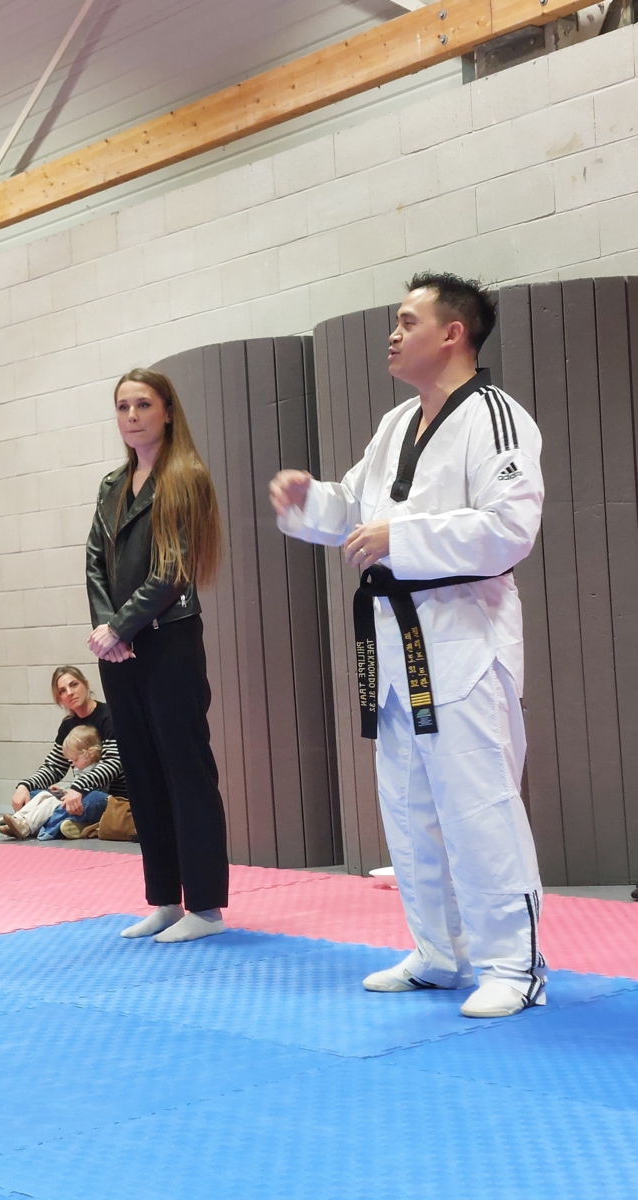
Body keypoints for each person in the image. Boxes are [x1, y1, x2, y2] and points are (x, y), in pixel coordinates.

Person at [270, 272, 545, 1019]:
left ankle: (514, 966)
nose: (392, 334)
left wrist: (405, 538)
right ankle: (440, 953)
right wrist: (309, 502)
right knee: (409, 805)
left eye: (407, 321)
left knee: (479, 807)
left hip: (464, 637)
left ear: (452, 333)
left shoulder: (495, 417)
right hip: (395, 645)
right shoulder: (396, 424)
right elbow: (357, 509)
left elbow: (510, 528)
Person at [86, 368, 229, 943]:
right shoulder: (112, 485)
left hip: (168, 639)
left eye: (143, 404)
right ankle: (165, 898)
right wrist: (107, 629)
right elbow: (94, 561)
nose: (132, 416)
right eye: (123, 406)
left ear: (167, 411)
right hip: (119, 649)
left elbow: (173, 569)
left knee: (184, 768)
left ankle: (207, 907)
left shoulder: (185, 477)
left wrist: (121, 625)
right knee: (140, 770)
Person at [0, 665, 127, 835]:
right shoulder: (67, 725)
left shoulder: (109, 717)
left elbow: (114, 763)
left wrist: (78, 788)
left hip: (111, 798)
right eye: (62, 691)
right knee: (34, 794)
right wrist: (24, 786)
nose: (70, 693)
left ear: (86, 684)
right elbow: (54, 767)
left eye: (74, 685)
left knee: (92, 800)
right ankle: (65, 823)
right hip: (79, 792)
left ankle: (33, 823)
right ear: (59, 698)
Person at [0, 725, 110, 840]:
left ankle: (32, 827)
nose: (72, 764)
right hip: (74, 797)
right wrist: (63, 789)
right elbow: (74, 786)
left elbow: (90, 789)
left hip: (88, 800)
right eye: (71, 760)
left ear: (91, 753)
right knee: (42, 795)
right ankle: (19, 818)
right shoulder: (80, 767)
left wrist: (68, 792)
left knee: (53, 803)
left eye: (75, 759)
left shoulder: (98, 768)